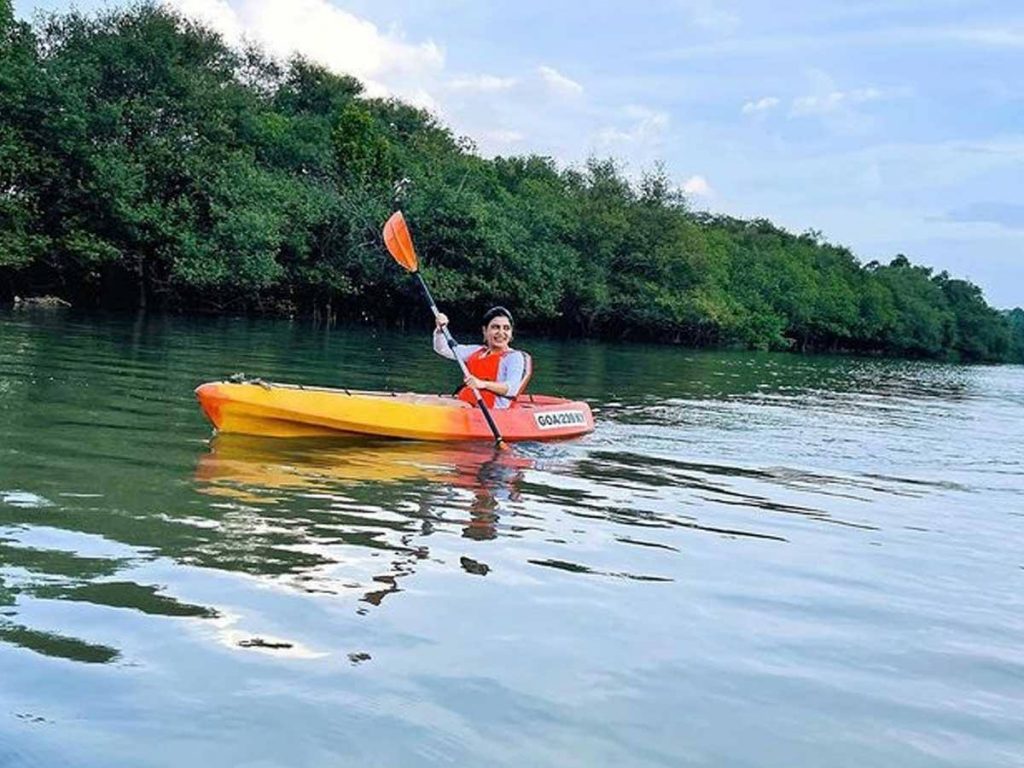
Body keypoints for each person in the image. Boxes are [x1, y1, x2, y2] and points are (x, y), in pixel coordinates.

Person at [433, 306, 532, 409]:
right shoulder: (476, 351)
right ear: (485, 331)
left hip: (491, 411)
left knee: (428, 403)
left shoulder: (514, 357)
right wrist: (440, 331)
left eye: (506, 328)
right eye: (495, 327)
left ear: (511, 334)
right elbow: (443, 349)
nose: (501, 333)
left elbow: (512, 389)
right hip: (467, 403)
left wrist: (482, 384)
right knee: (414, 397)